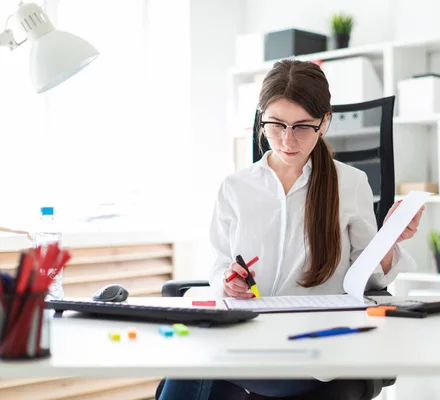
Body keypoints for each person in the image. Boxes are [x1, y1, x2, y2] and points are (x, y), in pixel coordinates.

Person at [158, 59, 424, 400]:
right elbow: (220, 264)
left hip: (316, 344)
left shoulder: (350, 183)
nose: (287, 140)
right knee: (192, 359)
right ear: (260, 118)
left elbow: (368, 280)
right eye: (276, 125)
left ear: (324, 121)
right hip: (248, 334)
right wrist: (229, 281)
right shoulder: (235, 187)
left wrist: (390, 238)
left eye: (302, 126)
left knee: (193, 364)